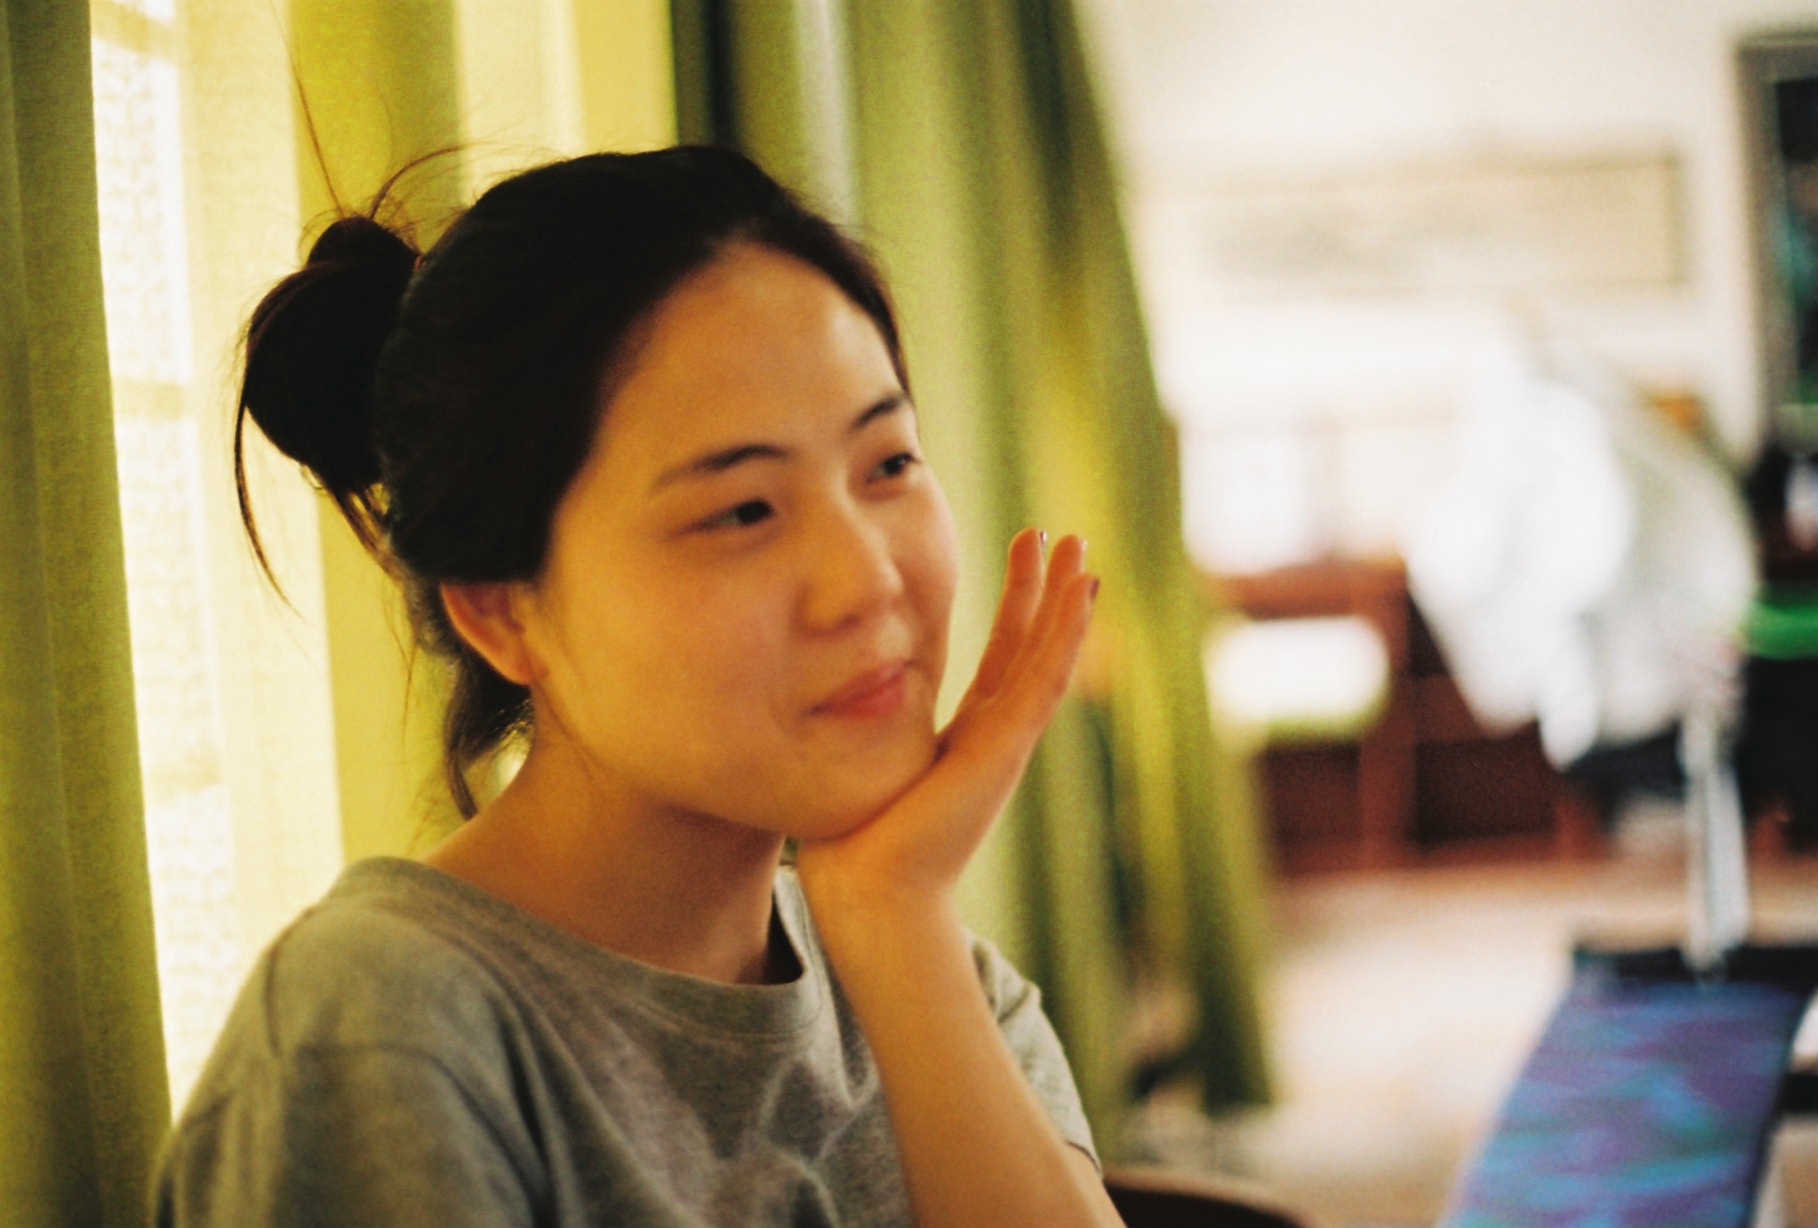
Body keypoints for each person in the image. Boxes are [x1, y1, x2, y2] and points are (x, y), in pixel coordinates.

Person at [152, 145, 1118, 1228]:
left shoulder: (940, 978)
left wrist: (895, 918)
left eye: (887, 463)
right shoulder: (381, 1032)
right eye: (743, 511)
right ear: (501, 609)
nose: (868, 580)